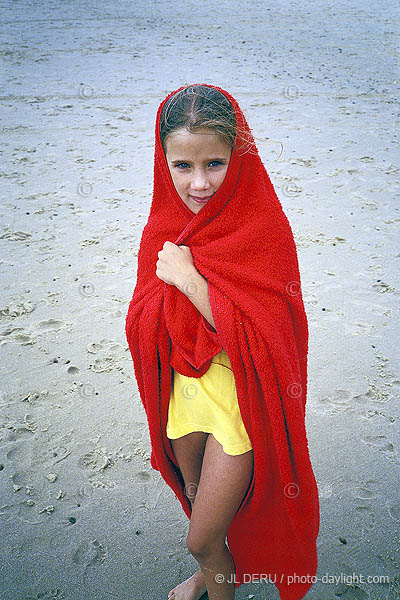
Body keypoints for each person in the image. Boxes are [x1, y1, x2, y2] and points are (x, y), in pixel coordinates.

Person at [125, 84, 320, 600]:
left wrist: (190, 283)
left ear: (240, 154)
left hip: (240, 409)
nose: (200, 182)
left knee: (200, 535)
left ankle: (214, 576)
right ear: (162, 163)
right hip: (184, 402)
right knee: (196, 498)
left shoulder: (264, 227)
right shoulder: (164, 224)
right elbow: (143, 316)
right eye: (182, 166)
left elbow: (270, 339)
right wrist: (167, 294)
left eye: (215, 162)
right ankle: (212, 574)